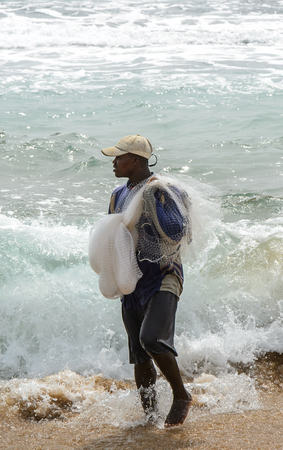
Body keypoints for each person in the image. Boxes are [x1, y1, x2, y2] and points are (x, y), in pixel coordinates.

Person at [101, 134, 192, 427]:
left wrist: (152, 200)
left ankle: (181, 396)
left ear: (136, 160)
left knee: (151, 339)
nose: (114, 162)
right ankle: (149, 419)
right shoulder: (118, 194)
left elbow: (177, 232)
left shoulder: (164, 190)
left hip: (163, 276)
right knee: (139, 355)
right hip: (132, 280)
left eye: (119, 157)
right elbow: (113, 237)